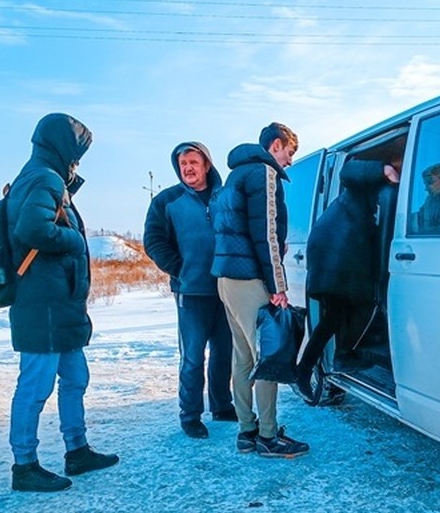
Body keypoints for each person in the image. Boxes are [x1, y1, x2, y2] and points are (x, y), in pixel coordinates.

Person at [5, 113, 118, 492]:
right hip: (44, 305)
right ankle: (24, 465)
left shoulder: (43, 176)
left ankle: (77, 449)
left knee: (75, 378)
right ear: (62, 146)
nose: (79, 160)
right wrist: (76, 242)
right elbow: (33, 229)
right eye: (77, 151)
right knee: (35, 386)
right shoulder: (43, 178)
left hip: (59, 304)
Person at [211, 122, 309, 459]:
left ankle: (247, 430)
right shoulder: (263, 174)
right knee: (269, 356)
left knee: (243, 359)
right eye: (290, 152)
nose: (290, 162)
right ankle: (268, 436)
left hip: (226, 280)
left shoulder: (235, 176)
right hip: (251, 279)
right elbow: (267, 235)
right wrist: (278, 286)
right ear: (277, 145)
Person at [144, 142, 236, 439]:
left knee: (224, 353)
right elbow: (153, 240)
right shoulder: (167, 201)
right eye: (182, 163)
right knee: (193, 356)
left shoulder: (226, 197)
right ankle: (190, 414)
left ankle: (222, 405)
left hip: (225, 288)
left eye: (193, 162)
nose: (187, 168)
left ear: (206, 164)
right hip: (191, 291)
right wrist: (178, 267)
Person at [294, 158, 401, 395]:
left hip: (335, 259)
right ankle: (341, 356)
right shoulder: (359, 184)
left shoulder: (362, 201)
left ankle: (307, 370)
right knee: (364, 304)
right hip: (335, 259)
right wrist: (383, 168)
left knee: (334, 317)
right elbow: (348, 170)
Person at [415, 162, 440, 233]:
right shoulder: (430, 201)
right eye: (426, 183)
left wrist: (424, 232)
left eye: (430, 182)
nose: (426, 188)